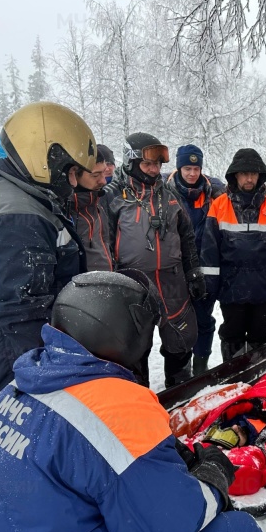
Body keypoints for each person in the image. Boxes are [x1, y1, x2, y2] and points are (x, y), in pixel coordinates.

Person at [0, 270, 266, 532]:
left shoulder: (25, 381)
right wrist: (212, 480)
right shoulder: (116, 404)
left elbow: (81, 454)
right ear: (129, 336)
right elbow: (168, 529)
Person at [0, 102, 94, 394]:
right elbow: (24, 313)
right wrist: (44, 376)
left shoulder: (1, 187)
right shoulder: (20, 218)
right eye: (69, 173)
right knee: (37, 425)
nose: (72, 184)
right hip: (18, 348)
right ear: (45, 159)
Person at [107, 132, 205, 387]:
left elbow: (187, 235)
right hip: (133, 283)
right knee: (134, 346)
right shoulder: (113, 196)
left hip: (172, 280)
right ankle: (140, 398)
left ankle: (180, 389)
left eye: (158, 165)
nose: (154, 170)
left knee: (182, 338)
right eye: (147, 164)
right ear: (131, 162)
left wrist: (193, 271)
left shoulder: (169, 194)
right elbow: (103, 243)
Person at [201, 148, 266, 361]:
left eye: (253, 173)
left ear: (260, 176)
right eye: (244, 173)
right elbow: (209, 251)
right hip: (231, 287)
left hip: (263, 287)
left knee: (260, 334)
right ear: (235, 175)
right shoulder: (219, 205)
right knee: (231, 333)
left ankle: (256, 375)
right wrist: (210, 285)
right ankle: (232, 376)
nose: (249, 178)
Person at [165, 144, 223, 376]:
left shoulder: (213, 194)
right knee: (176, 322)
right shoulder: (165, 193)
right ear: (179, 168)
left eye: (196, 168)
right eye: (187, 168)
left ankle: (201, 365)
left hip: (206, 267)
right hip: (175, 269)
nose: (192, 173)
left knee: (203, 320)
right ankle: (179, 370)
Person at [68, 155, 114, 271]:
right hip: (82, 286)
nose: (103, 181)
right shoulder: (65, 211)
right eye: (95, 175)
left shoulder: (95, 205)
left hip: (105, 282)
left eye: (103, 173)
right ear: (73, 175)